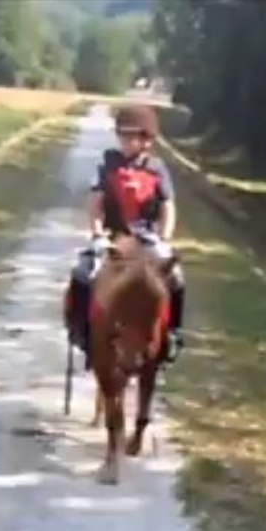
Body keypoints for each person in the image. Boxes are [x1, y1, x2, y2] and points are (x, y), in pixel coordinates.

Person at [67, 104, 186, 364]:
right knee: (83, 272)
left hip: (148, 237)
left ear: (147, 140)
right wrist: (98, 233)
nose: (128, 142)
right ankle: (82, 331)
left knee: (175, 277)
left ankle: (172, 333)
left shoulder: (157, 169)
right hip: (114, 235)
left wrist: (164, 237)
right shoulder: (107, 166)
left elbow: (168, 207)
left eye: (134, 136)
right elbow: (96, 204)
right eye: (124, 135)